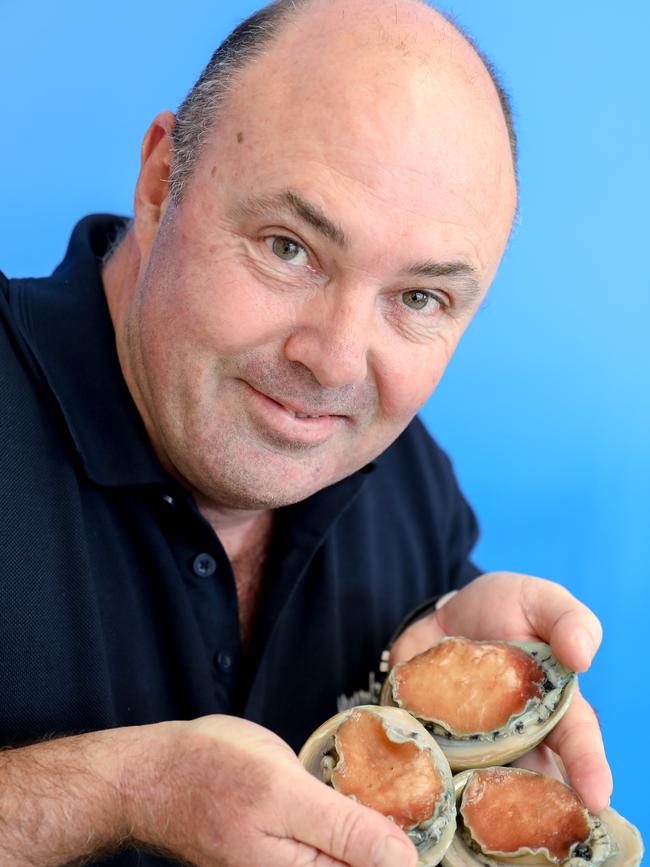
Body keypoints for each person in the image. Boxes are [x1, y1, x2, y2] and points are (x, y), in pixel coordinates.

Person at [0, 0, 611, 864]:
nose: (332, 364)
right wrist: (122, 789)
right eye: (289, 247)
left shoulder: (411, 478)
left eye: (419, 298)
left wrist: (446, 679)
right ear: (161, 181)